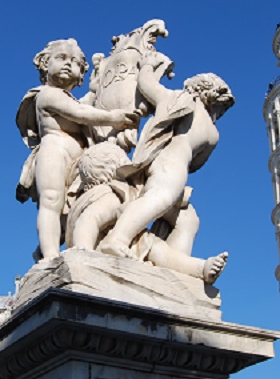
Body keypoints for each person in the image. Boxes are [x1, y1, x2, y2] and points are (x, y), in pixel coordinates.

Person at [99, 53, 234, 260]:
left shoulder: (179, 101)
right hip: (173, 166)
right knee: (159, 199)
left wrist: (147, 67)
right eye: (222, 107)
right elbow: (197, 163)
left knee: (187, 220)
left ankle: (174, 265)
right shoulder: (199, 118)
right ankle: (116, 239)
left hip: (167, 164)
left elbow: (148, 84)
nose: (221, 112)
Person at [15, 39, 138, 262]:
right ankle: (50, 256)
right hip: (54, 152)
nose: (67, 64)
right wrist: (114, 118)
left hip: (78, 159)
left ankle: (44, 249)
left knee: (67, 212)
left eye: (74, 62)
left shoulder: (70, 97)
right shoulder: (46, 94)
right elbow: (79, 113)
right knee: (51, 202)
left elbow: (86, 104)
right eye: (61, 58)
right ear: (45, 63)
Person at [67, 142, 226, 283]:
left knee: (158, 248)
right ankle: (200, 268)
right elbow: (89, 219)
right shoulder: (110, 195)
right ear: (116, 167)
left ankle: (200, 268)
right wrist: (85, 252)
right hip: (109, 249)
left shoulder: (108, 195)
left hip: (130, 244)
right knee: (158, 250)